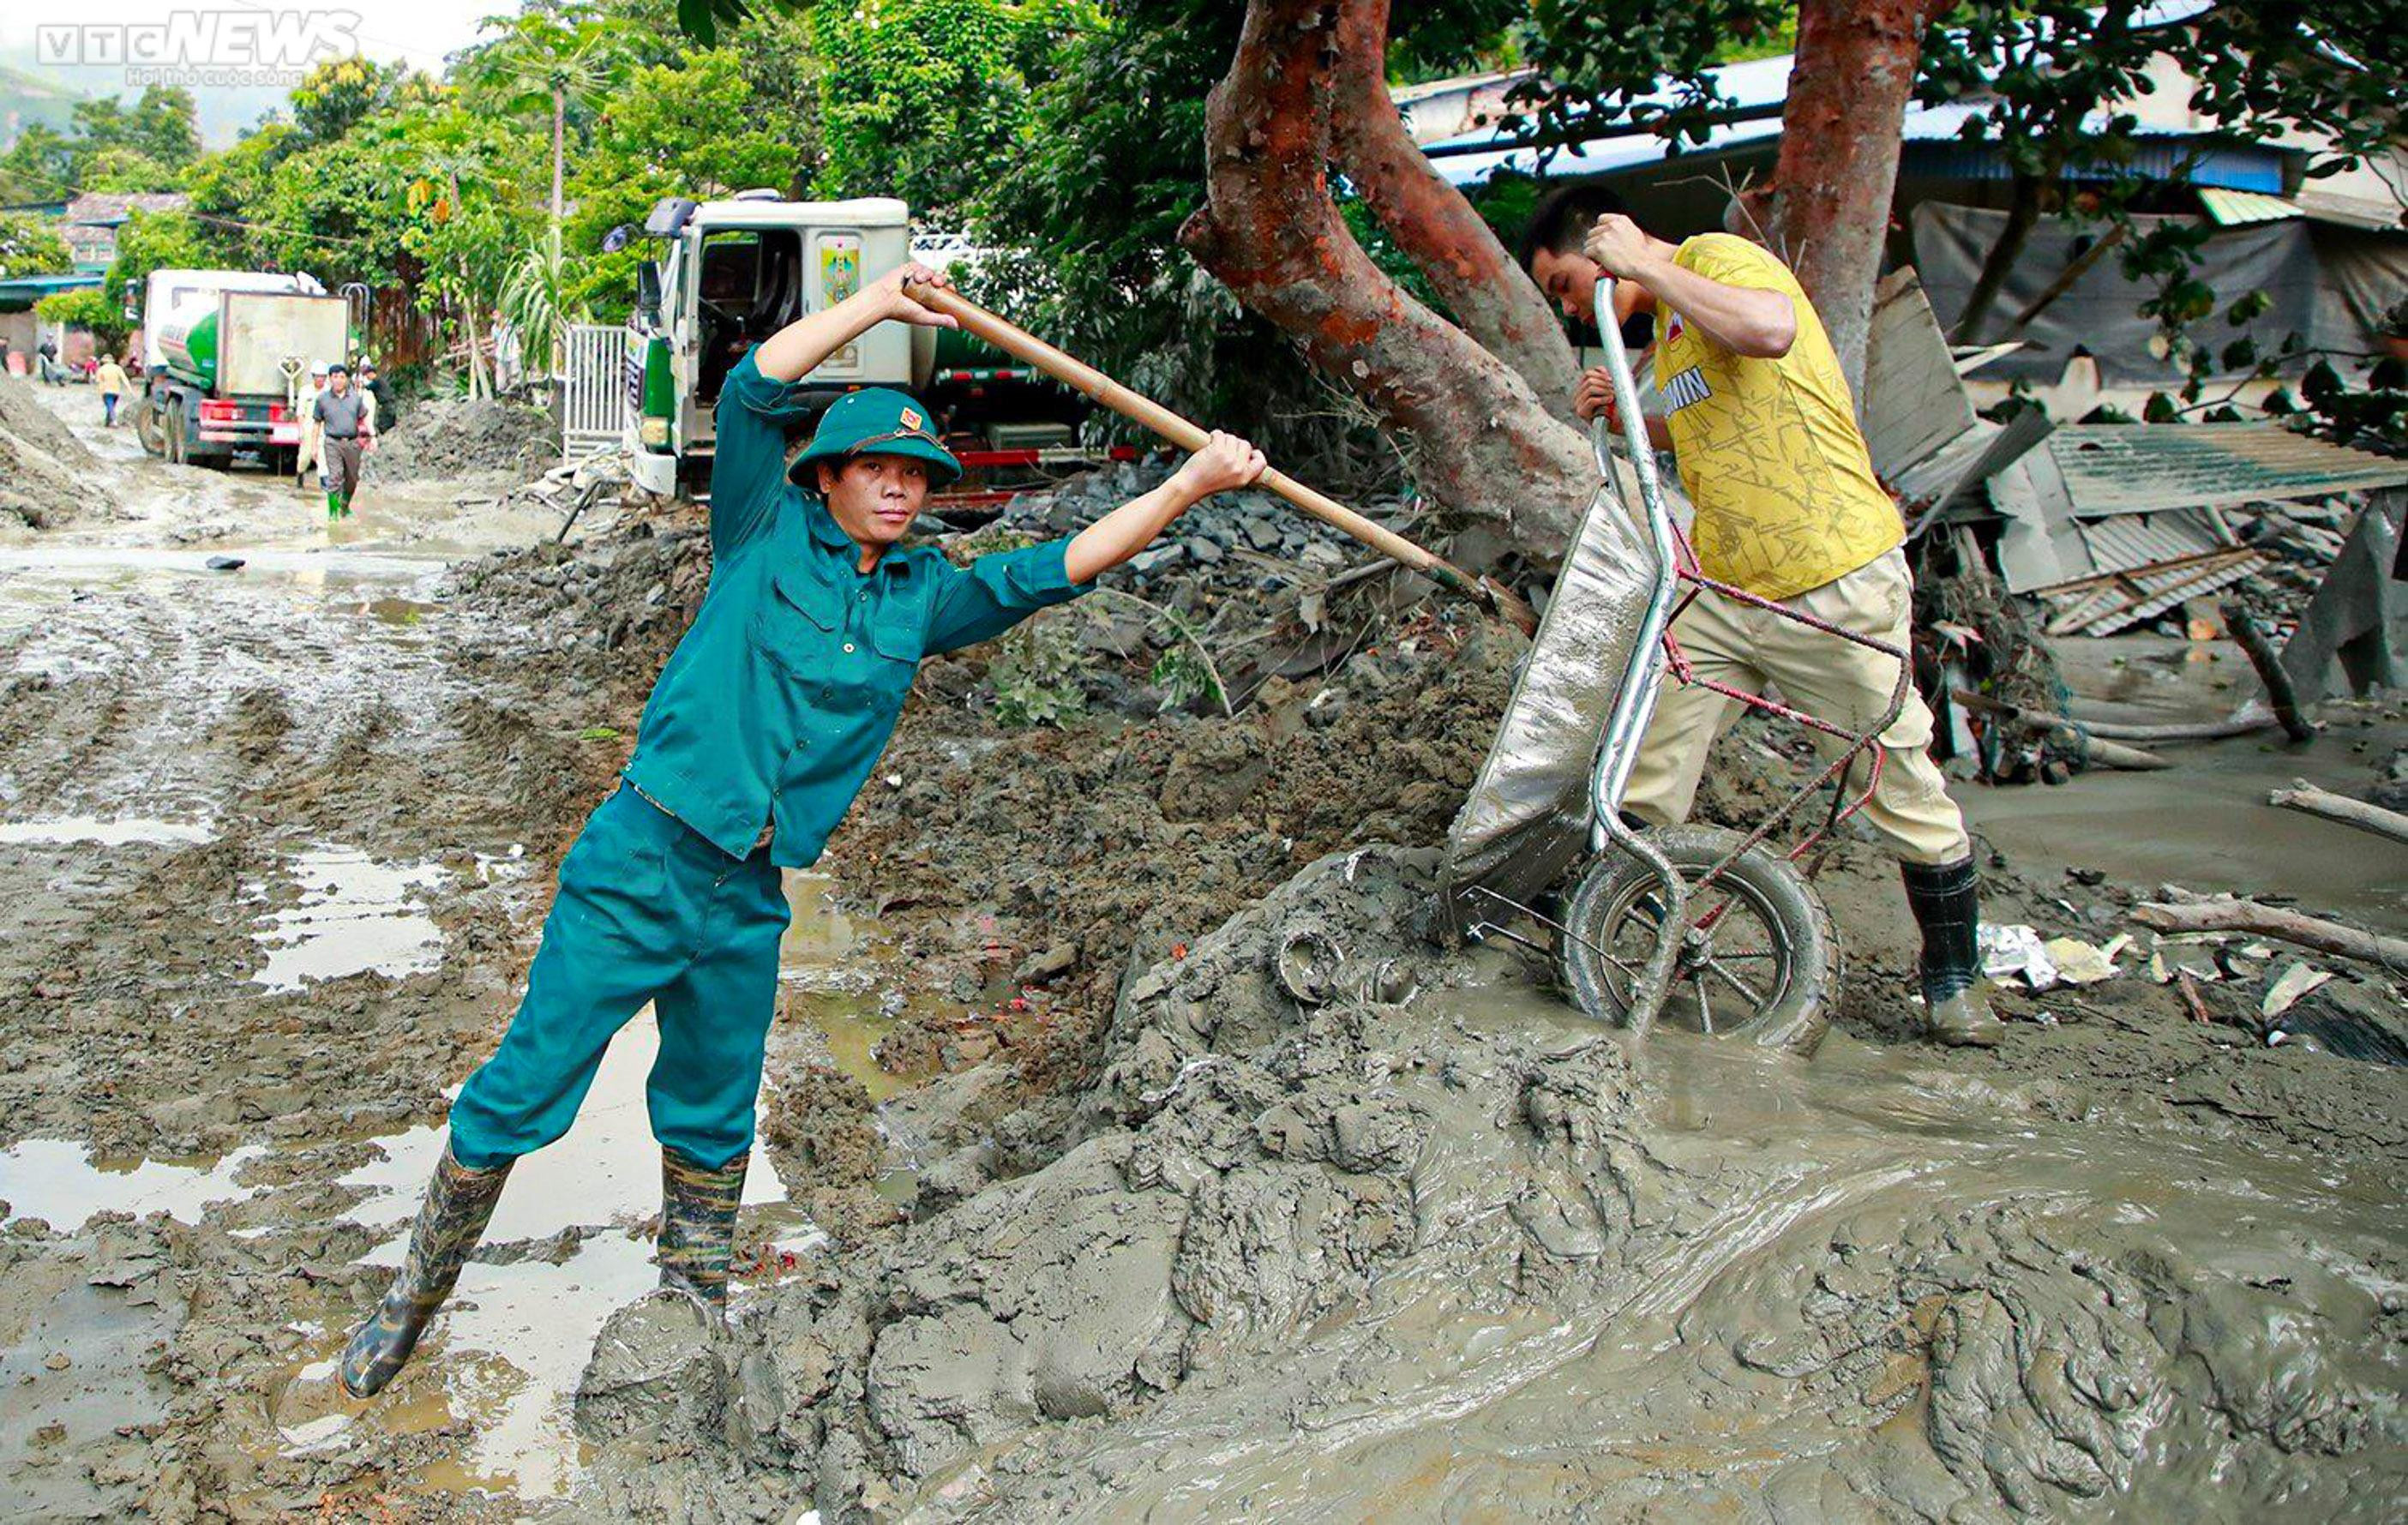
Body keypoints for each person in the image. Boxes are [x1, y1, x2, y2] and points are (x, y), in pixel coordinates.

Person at [335, 259, 1268, 1399]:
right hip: (641, 856)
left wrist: (1192, 484)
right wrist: (878, 302)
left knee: (716, 1104)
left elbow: (1051, 570)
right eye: (874, 466)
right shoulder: (759, 529)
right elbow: (748, 397)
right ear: (827, 476)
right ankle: (410, 1301)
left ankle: (691, 1310)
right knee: (525, 1084)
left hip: (748, 894)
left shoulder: (920, 598)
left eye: (915, 473)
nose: (897, 488)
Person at [1518, 184, 1997, 1049]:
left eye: (1564, 285)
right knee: (1642, 761)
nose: (1572, 309)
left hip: (1830, 577)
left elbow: (1767, 333)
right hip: (1730, 593)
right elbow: (1712, 421)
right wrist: (1633, 422)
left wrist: (1644, 264)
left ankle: (1953, 977)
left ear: (1601, 244)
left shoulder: (1710, 260)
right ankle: (1618, 936)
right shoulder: (1669, 330)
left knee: (1892, 783)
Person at [312, 363, 373, 519]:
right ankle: (333, 514)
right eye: (335, 377)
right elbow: (317, 424)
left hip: (352, 444)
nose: (338, 380)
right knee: (335, 477)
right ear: (330, 379)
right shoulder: (322, 400)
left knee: (352, 480)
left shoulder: (355, 399)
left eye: (341, 377)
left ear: (346, 379)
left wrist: (372, 437)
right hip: (332, 442)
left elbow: (364, 418)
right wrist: (314, 447)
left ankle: (344, 506)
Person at [295, 362, 328, 489]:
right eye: (317, 376)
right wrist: (301, 430)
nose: (320, 379)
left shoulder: (329, 391)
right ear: (313, 377)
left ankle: (325, 487)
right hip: (309, 429)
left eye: (323, 376)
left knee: (323, 459)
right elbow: (301, 412)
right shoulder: (305, 391)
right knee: (304, 458)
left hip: (324, 430)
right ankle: (299, 478)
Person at [358, 359, 398, 433]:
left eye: (367, 374)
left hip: (387, 405)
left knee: (383, 425)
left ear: (371, 373)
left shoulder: (377, 381)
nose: (367, 377)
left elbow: (368, 387)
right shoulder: (379, 380)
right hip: (388, 405)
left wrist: (360, 385)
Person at [93, 353, 129, 427]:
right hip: (116, 391)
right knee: (111, 406)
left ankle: (114, 421)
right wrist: (129, 388)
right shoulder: (118, 368)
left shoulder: (101, 369)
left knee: (110, 406)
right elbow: (124, 379)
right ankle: (107, 422)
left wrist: (98, 390)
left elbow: (97, 381)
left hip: (106, 390)